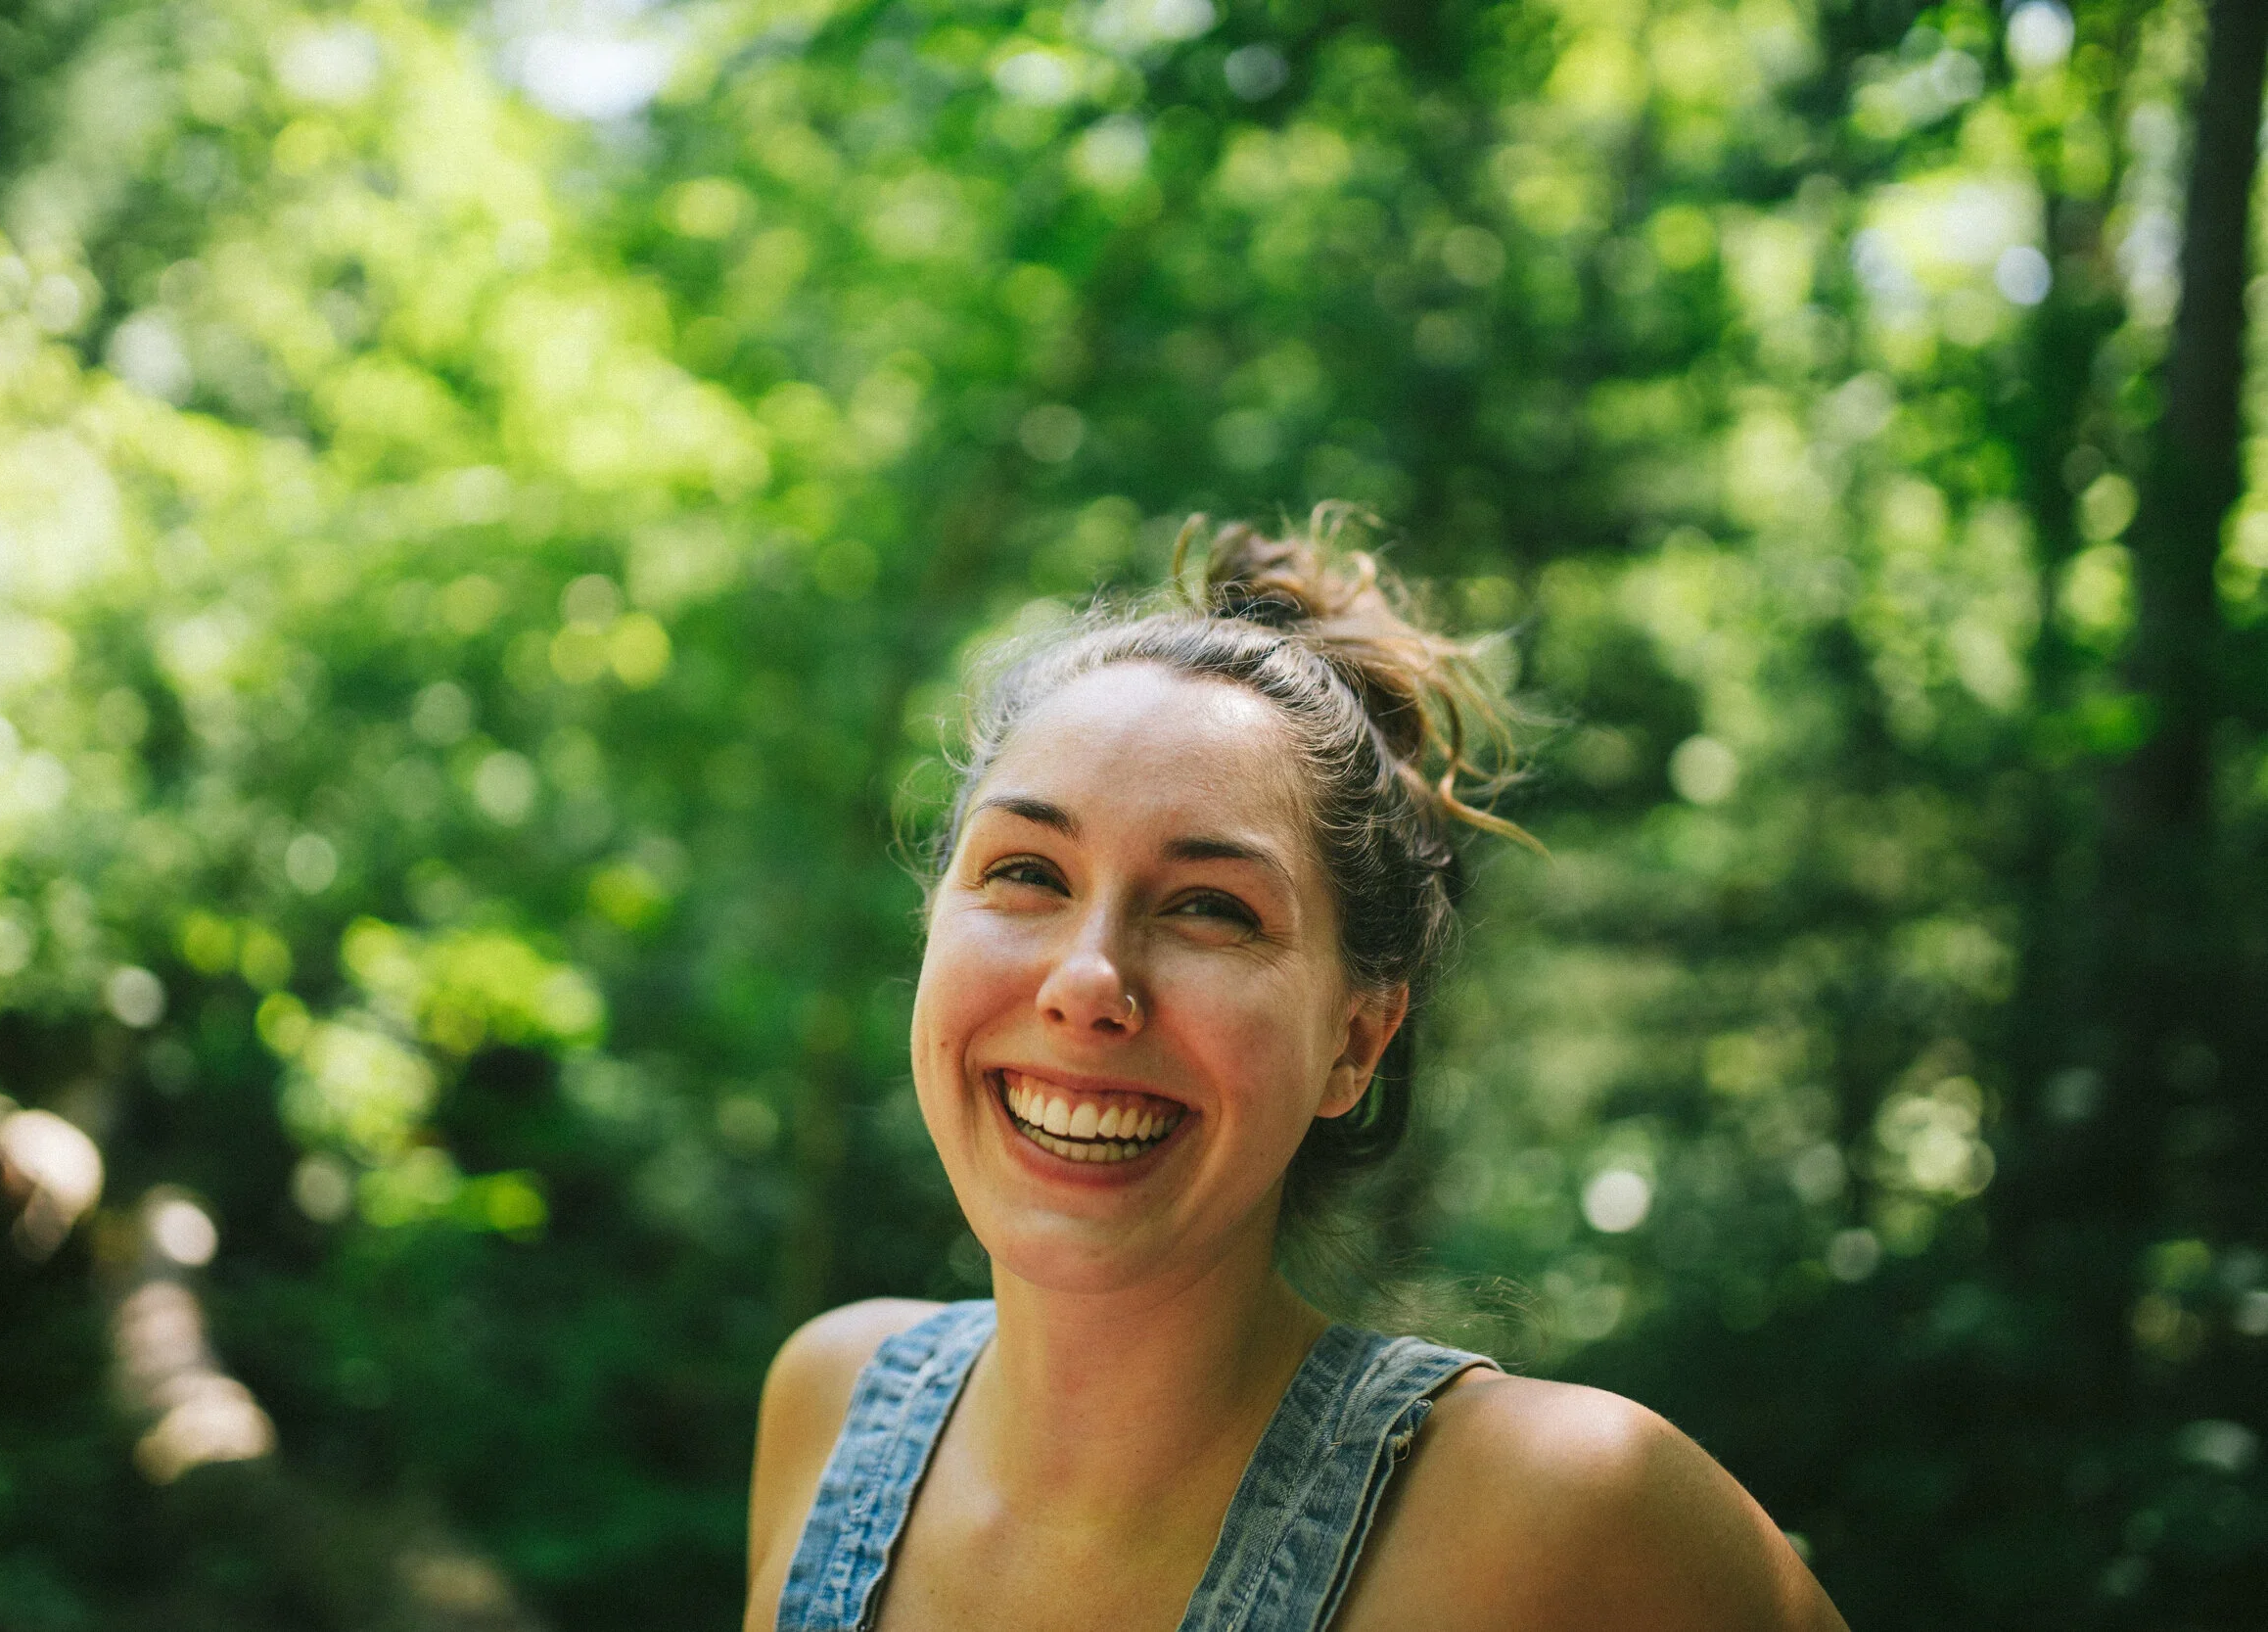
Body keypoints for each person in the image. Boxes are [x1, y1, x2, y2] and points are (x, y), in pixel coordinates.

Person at [742, 514, 1848, 1632]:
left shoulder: (1564, 1508)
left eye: (1212, 906)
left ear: (1355, 1040)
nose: (1087, 980)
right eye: (1026, 870)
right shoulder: (827, 1403)